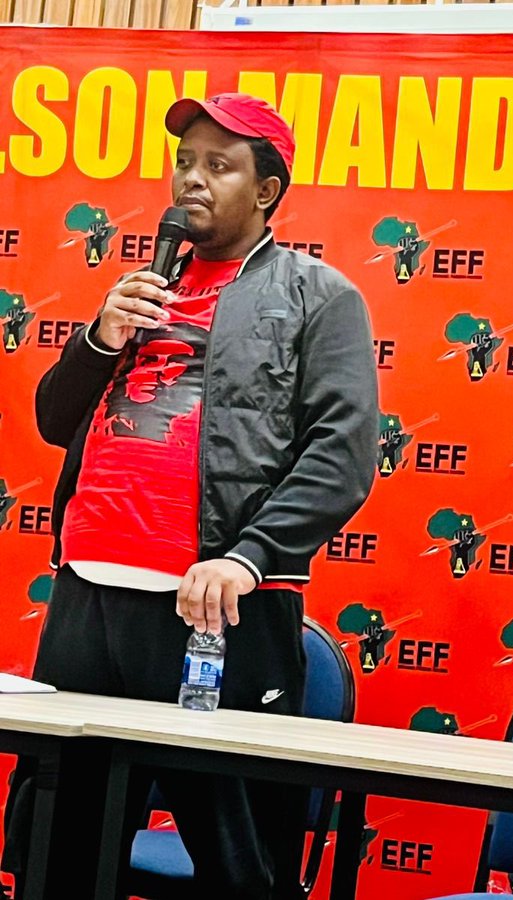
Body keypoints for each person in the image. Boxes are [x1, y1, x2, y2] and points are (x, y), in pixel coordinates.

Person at [2, 93, 378, 899]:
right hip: (89, 597)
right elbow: (52, 420)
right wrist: (102, 336)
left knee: (240, 867)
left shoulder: (318, 296)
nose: (192, 180)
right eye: (185, 162)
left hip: (214, 612)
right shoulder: (142, 290)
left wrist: (248, 557)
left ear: (267, 189)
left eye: (219, 165)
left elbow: (342, 457)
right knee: (54, 854)